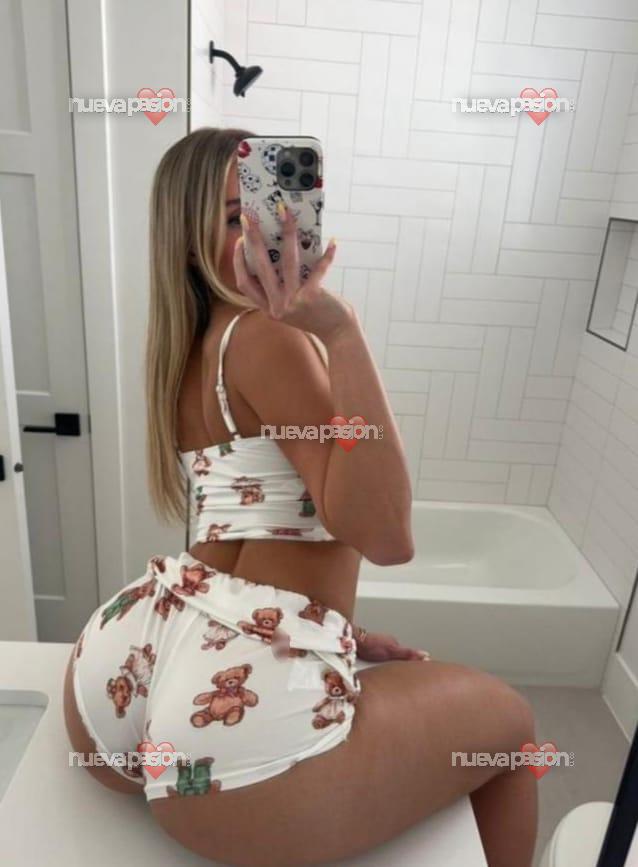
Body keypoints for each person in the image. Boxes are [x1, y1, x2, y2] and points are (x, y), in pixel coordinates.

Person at [64, 127, 538, 867]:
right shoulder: (269, 335)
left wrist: (332, 630)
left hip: (127, 663)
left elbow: (253, 530)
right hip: (225, 726)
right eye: (236, 218)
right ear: (190, 244)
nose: (269, 231)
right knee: (512, 730)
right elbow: (387, 536)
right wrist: (341, 332)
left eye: (273, 208)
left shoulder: (190, 346)